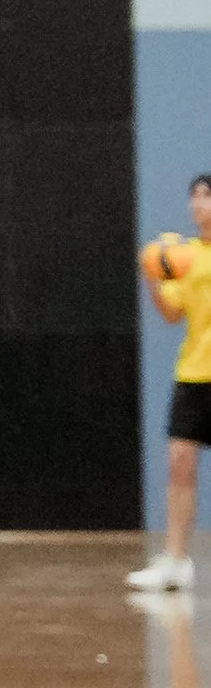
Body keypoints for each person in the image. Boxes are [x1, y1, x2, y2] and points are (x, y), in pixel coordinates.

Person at [131, 172, 211, 596]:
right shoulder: (188, 257)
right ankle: (176, 562)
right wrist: (153, 275)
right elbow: (171, 314)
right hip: (195, 374)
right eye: (194, 197)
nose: (199, 205)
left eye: (208, 196)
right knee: (180, 462)